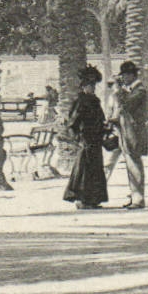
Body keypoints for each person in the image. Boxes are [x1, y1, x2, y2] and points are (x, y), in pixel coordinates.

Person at [105, 60, 148, 209]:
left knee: (134, 164)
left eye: (125, 75)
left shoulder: (140, 91)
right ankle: (134, 196)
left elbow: (126, 105)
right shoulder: (129, 90)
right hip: (123, 132)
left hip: (133, 134)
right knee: (112, 164)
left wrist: (118, 90)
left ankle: (138, 199)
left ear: (132, 75)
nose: (123, 79)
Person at [63, 66, 109, 209]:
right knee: (85, 169)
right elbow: (73, 122)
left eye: (94, 85)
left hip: (95, 139)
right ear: (83, 86)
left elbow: (99, 118)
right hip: (86, 139)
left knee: (94, 168)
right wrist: (78, 138)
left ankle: (93, 200)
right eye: (90, 85)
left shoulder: (94, 100)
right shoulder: (81, 101)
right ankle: (82, 199)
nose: (92, 88)